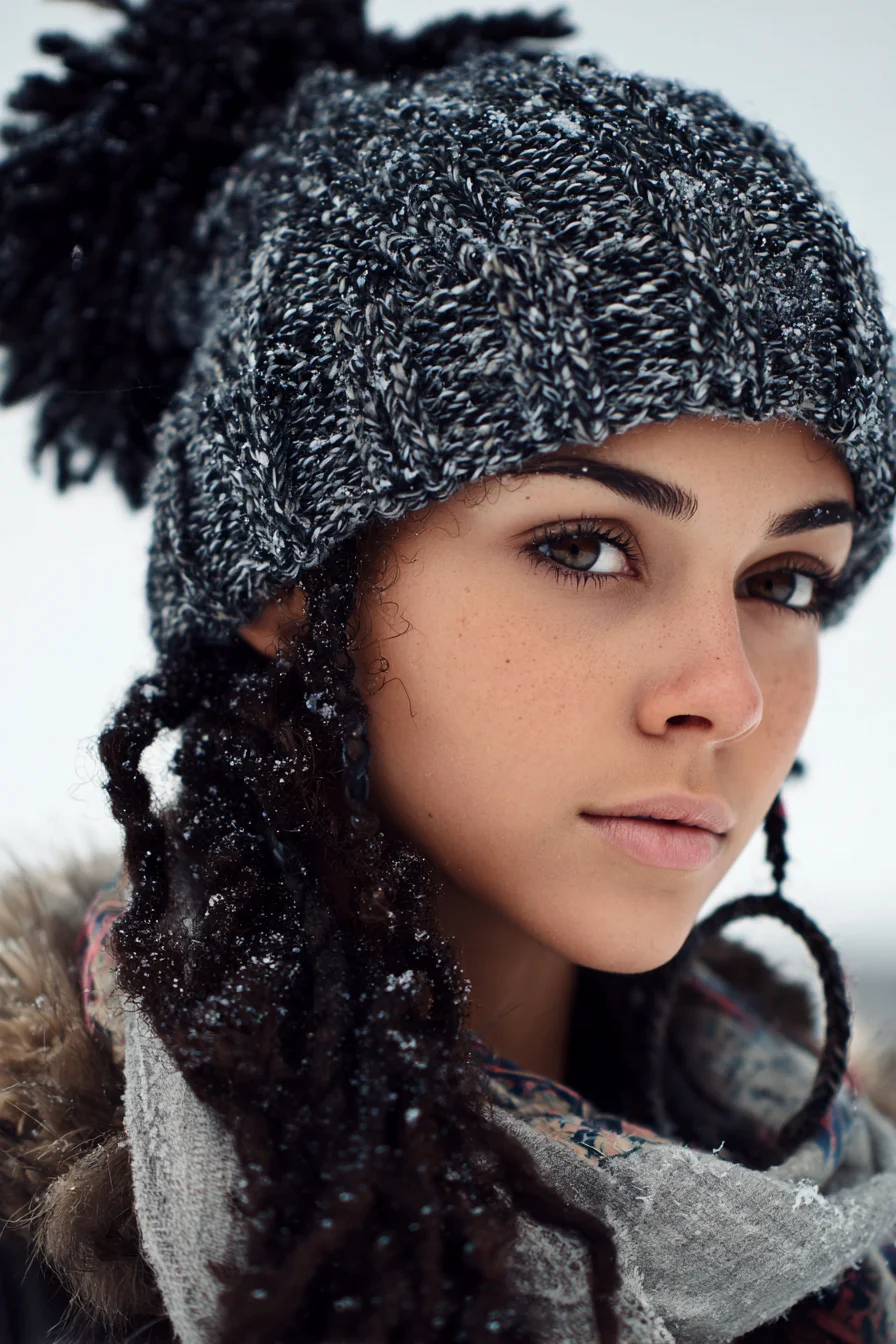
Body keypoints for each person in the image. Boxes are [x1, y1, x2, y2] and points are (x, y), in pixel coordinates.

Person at [0, 0, 895, 1341]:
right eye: (586, 546)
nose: (728, 693)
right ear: (294, 594)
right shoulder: (40, 1266)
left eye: (783, 582)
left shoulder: (847, 1210)